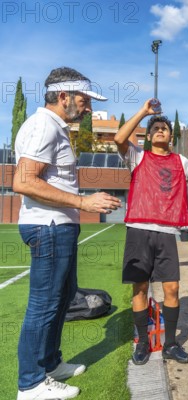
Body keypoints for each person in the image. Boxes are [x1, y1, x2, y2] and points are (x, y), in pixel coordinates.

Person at [13, 67, 121, 400]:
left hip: (59, 227)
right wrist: (82, 202)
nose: (88, 107)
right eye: (84, 100)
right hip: (48, 227)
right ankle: (30, 383)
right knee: (43, 306)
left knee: (61, 299)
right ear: (64, 97)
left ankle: (49, 363)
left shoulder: (55, 127)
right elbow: (23, 181)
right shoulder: (42, 125)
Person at [115, 99, 188, 366]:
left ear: (170, 137)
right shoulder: (138, 156)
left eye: (164, 128)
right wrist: (144, 112)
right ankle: (142, 342)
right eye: (156, 129)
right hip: (139, 231)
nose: (160, 130)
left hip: (166, 234)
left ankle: (171, 345)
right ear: (149, 136)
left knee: (172, 288)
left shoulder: (180, 161)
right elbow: (119, 137)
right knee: (140, 289)